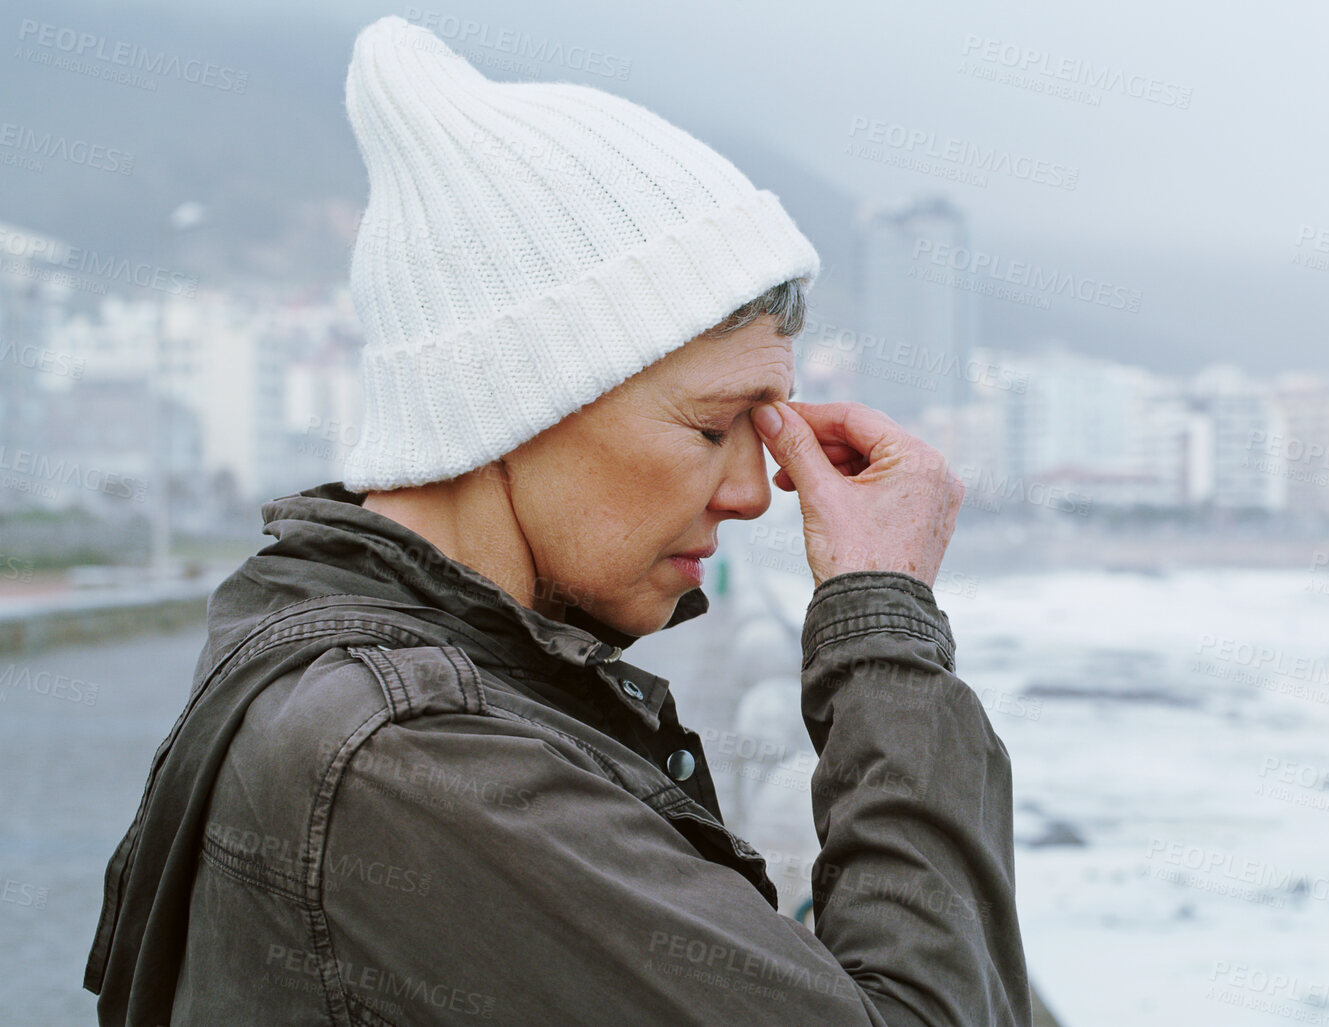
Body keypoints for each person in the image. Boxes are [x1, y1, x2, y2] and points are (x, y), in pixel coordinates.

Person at [85, 15, 1029, 1026]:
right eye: (713, 426)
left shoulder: (340, 647)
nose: (754, 492)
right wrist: (881, 617)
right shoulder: (411, 757)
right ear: (515, 402)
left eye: (765, 432)